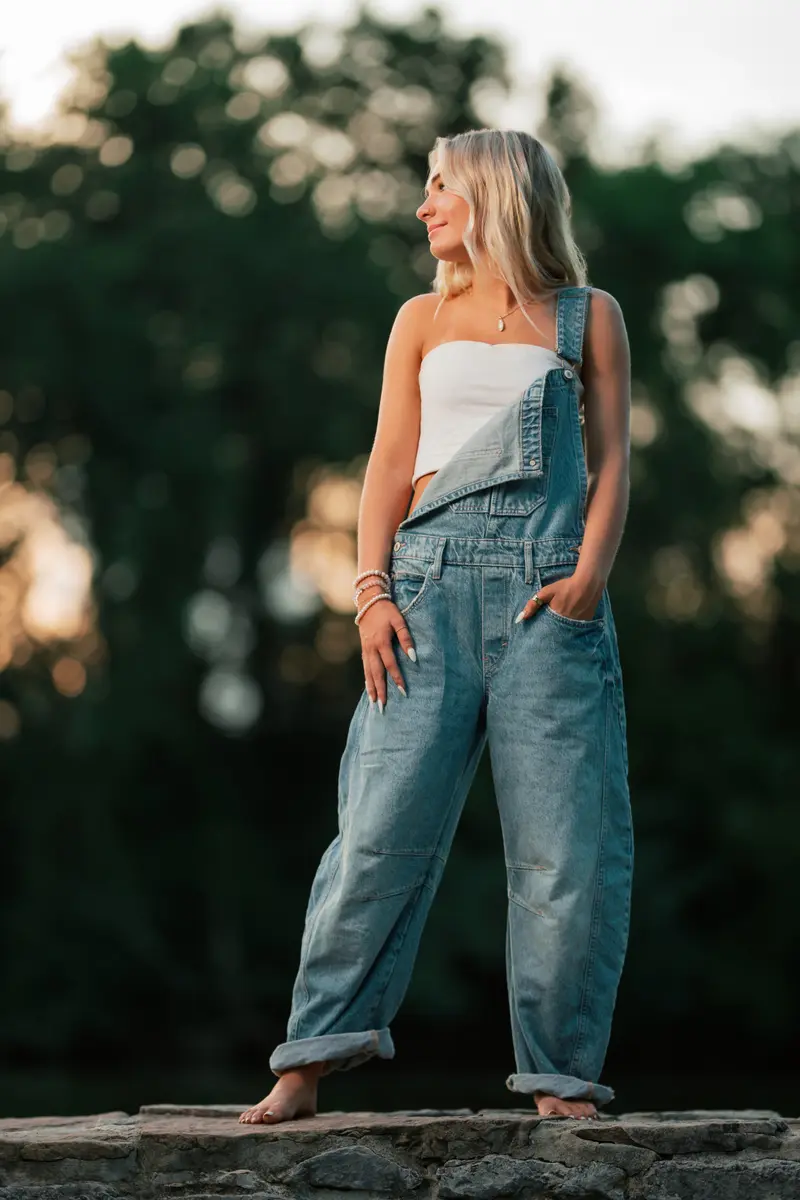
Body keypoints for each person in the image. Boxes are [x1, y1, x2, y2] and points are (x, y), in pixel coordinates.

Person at [240, 128, 633, 1126]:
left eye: (439, 187)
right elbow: (384, 464)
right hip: (421, 593)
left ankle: (558, 1080)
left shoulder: (586, 319)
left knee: (560, 849)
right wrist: (368, 591)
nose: (423, 206)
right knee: (374, 831)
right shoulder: (419, 318)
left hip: (549, 600)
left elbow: (613, 459)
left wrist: (588, 574)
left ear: (495, 195)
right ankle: (308, 1062)